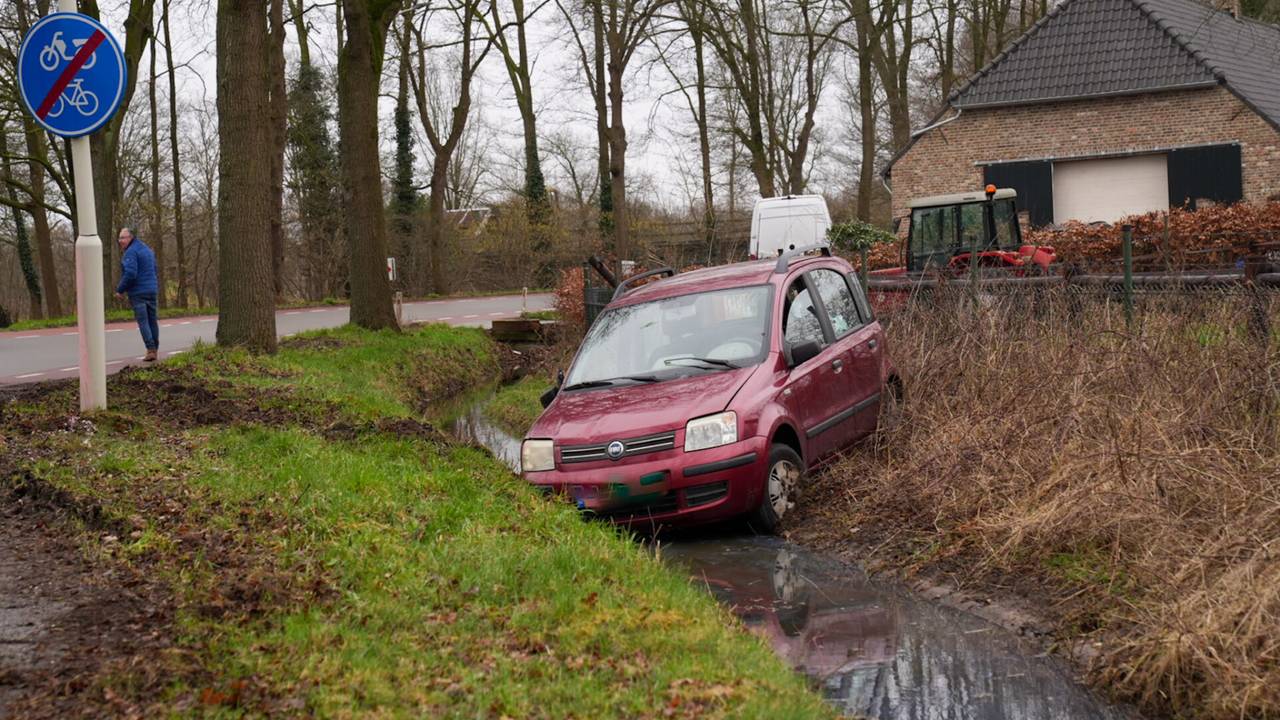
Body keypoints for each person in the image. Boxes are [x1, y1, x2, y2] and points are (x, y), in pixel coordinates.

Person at [114, 226, 160, 361]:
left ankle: (151, 349)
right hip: (152, 290)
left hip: (138, 292)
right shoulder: (147, 250)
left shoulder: (130, 252)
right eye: (119, 238)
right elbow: (155, 269)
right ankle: (155, 349)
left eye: (123, 238)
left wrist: (120, 290)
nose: (120, 241)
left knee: (143, 321)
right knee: (152, 321)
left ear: (131, 237)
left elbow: (130, 274)